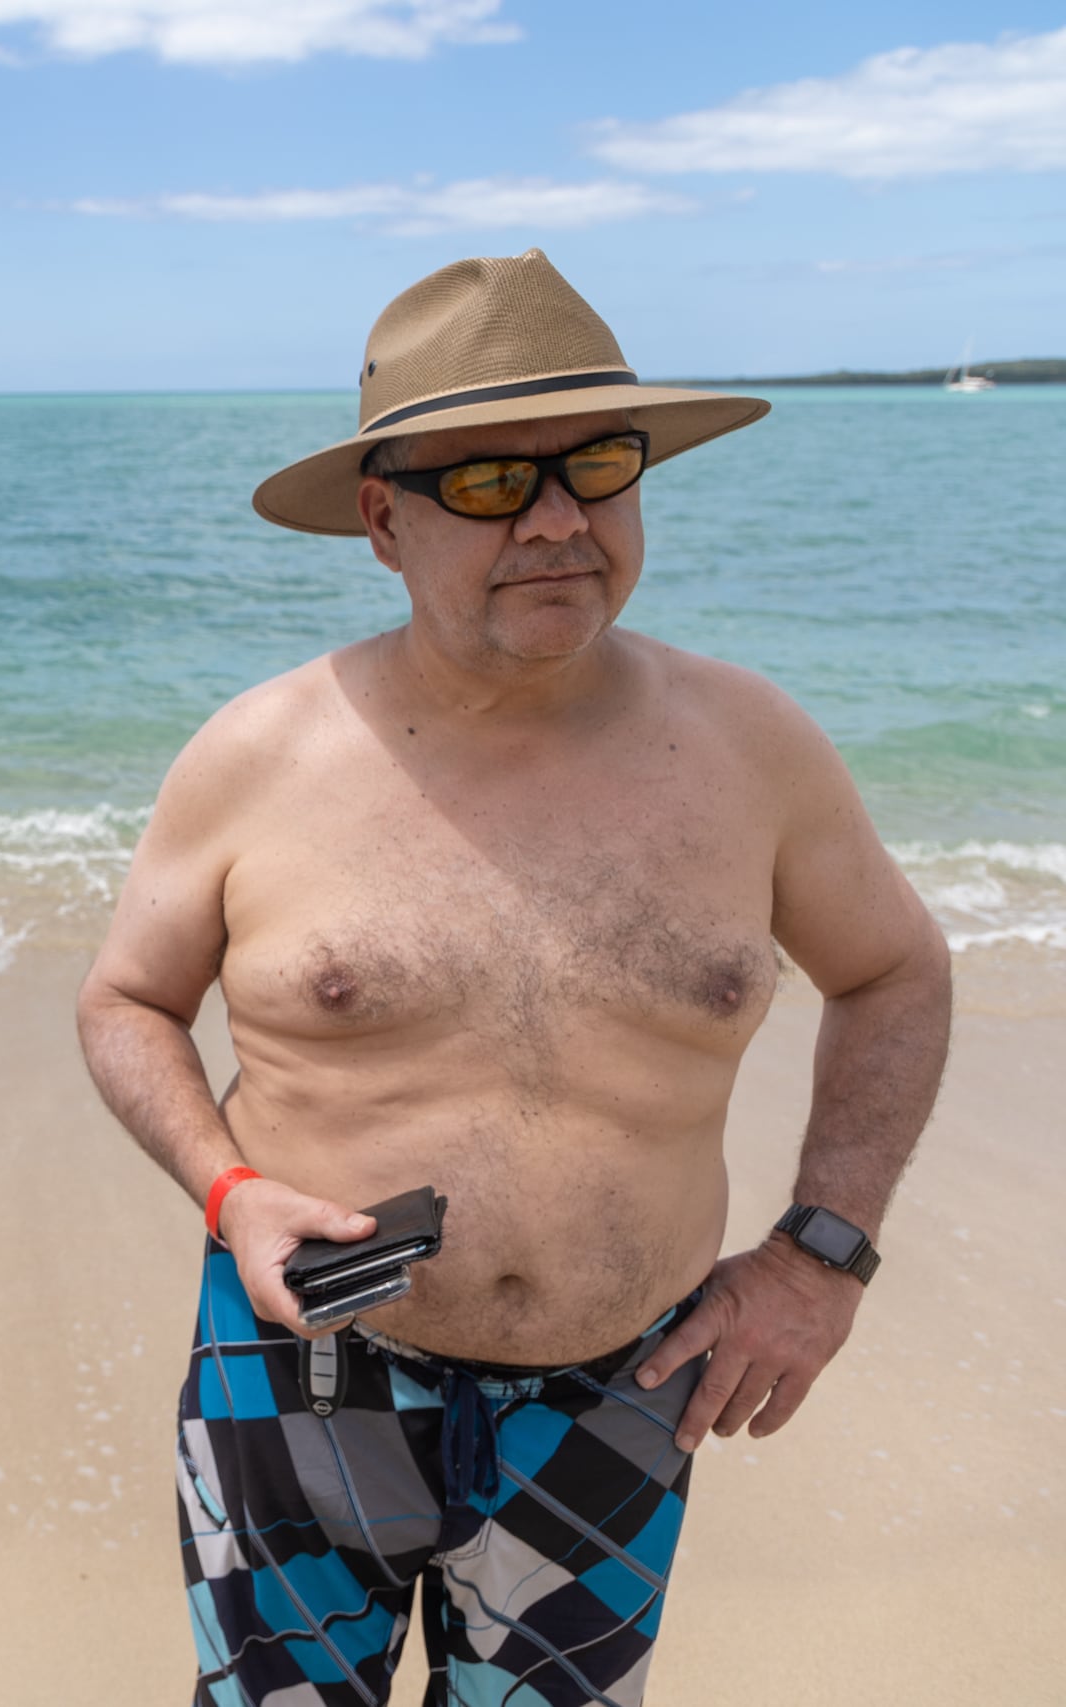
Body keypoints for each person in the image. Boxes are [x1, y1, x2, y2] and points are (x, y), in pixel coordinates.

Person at [76, 249, 950, 1706]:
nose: (556, 522)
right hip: (298, 1377)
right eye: (487, 482)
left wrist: (822, 1256)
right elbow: (126, 1003)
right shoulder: (258, 755)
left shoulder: (754, 750)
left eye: (597, 466)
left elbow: (899, 973)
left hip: (623, 1393)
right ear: (381, 521)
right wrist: (226, 1194)